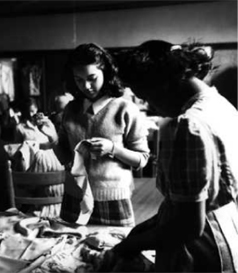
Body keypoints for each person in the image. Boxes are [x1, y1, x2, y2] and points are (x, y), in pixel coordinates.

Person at [100, 40, 238, 272]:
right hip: (227, 228)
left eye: (146, 97)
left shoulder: (190, 126)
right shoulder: (220, 105)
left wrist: (129, 246)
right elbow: (188, 205)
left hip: (202, 249)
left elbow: (189, 226)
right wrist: (143, 229)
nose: (151, 107)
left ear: (165, 85)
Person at [37, 43, 150, 227]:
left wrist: (113, 149)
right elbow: (66, 159)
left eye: (92, 78)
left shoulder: (124, 108)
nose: (86, 86)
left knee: (113, 252)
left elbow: (142, 159)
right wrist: (54, 139)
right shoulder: (71, 109)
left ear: (106, 73)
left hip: (112, 199)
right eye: (79, 80)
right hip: (74, 196)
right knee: (68, 251)